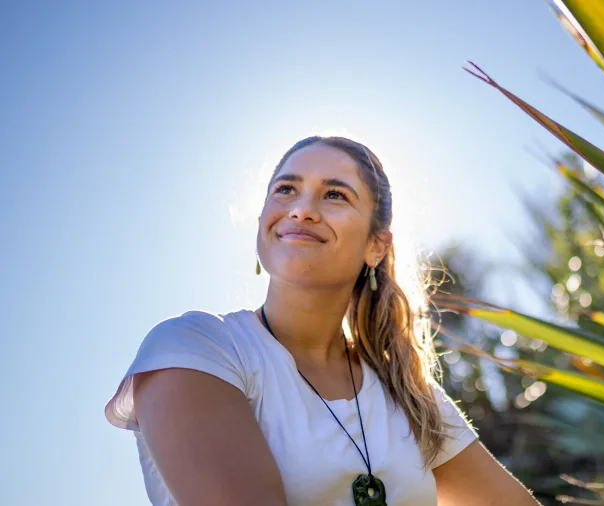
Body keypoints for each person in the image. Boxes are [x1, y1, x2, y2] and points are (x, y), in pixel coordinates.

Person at [104, 136, 541, 506]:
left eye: (335, 195)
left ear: (375, 246)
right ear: (262, 223)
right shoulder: (196, 348)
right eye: (286, 190)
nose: (303, 210)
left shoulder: (408, 393)